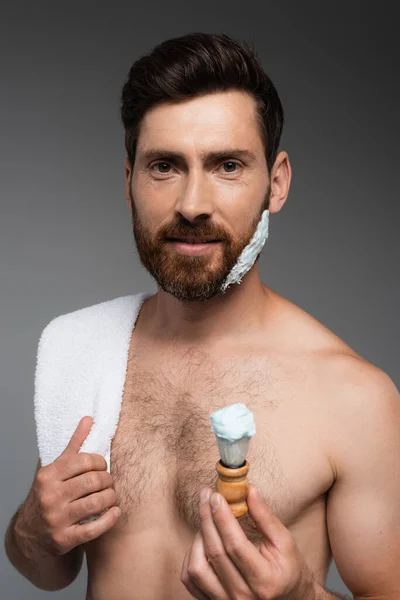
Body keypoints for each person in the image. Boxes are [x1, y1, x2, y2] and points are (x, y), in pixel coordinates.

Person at [4, 32, 400, 600]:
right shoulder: (83, 354)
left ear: (277, 183)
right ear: (128, 182)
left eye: (228, 165)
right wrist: (29, 534)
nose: (192, 204)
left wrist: (302, 598)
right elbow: (48, 568)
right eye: (164, 166)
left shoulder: (355, 399)